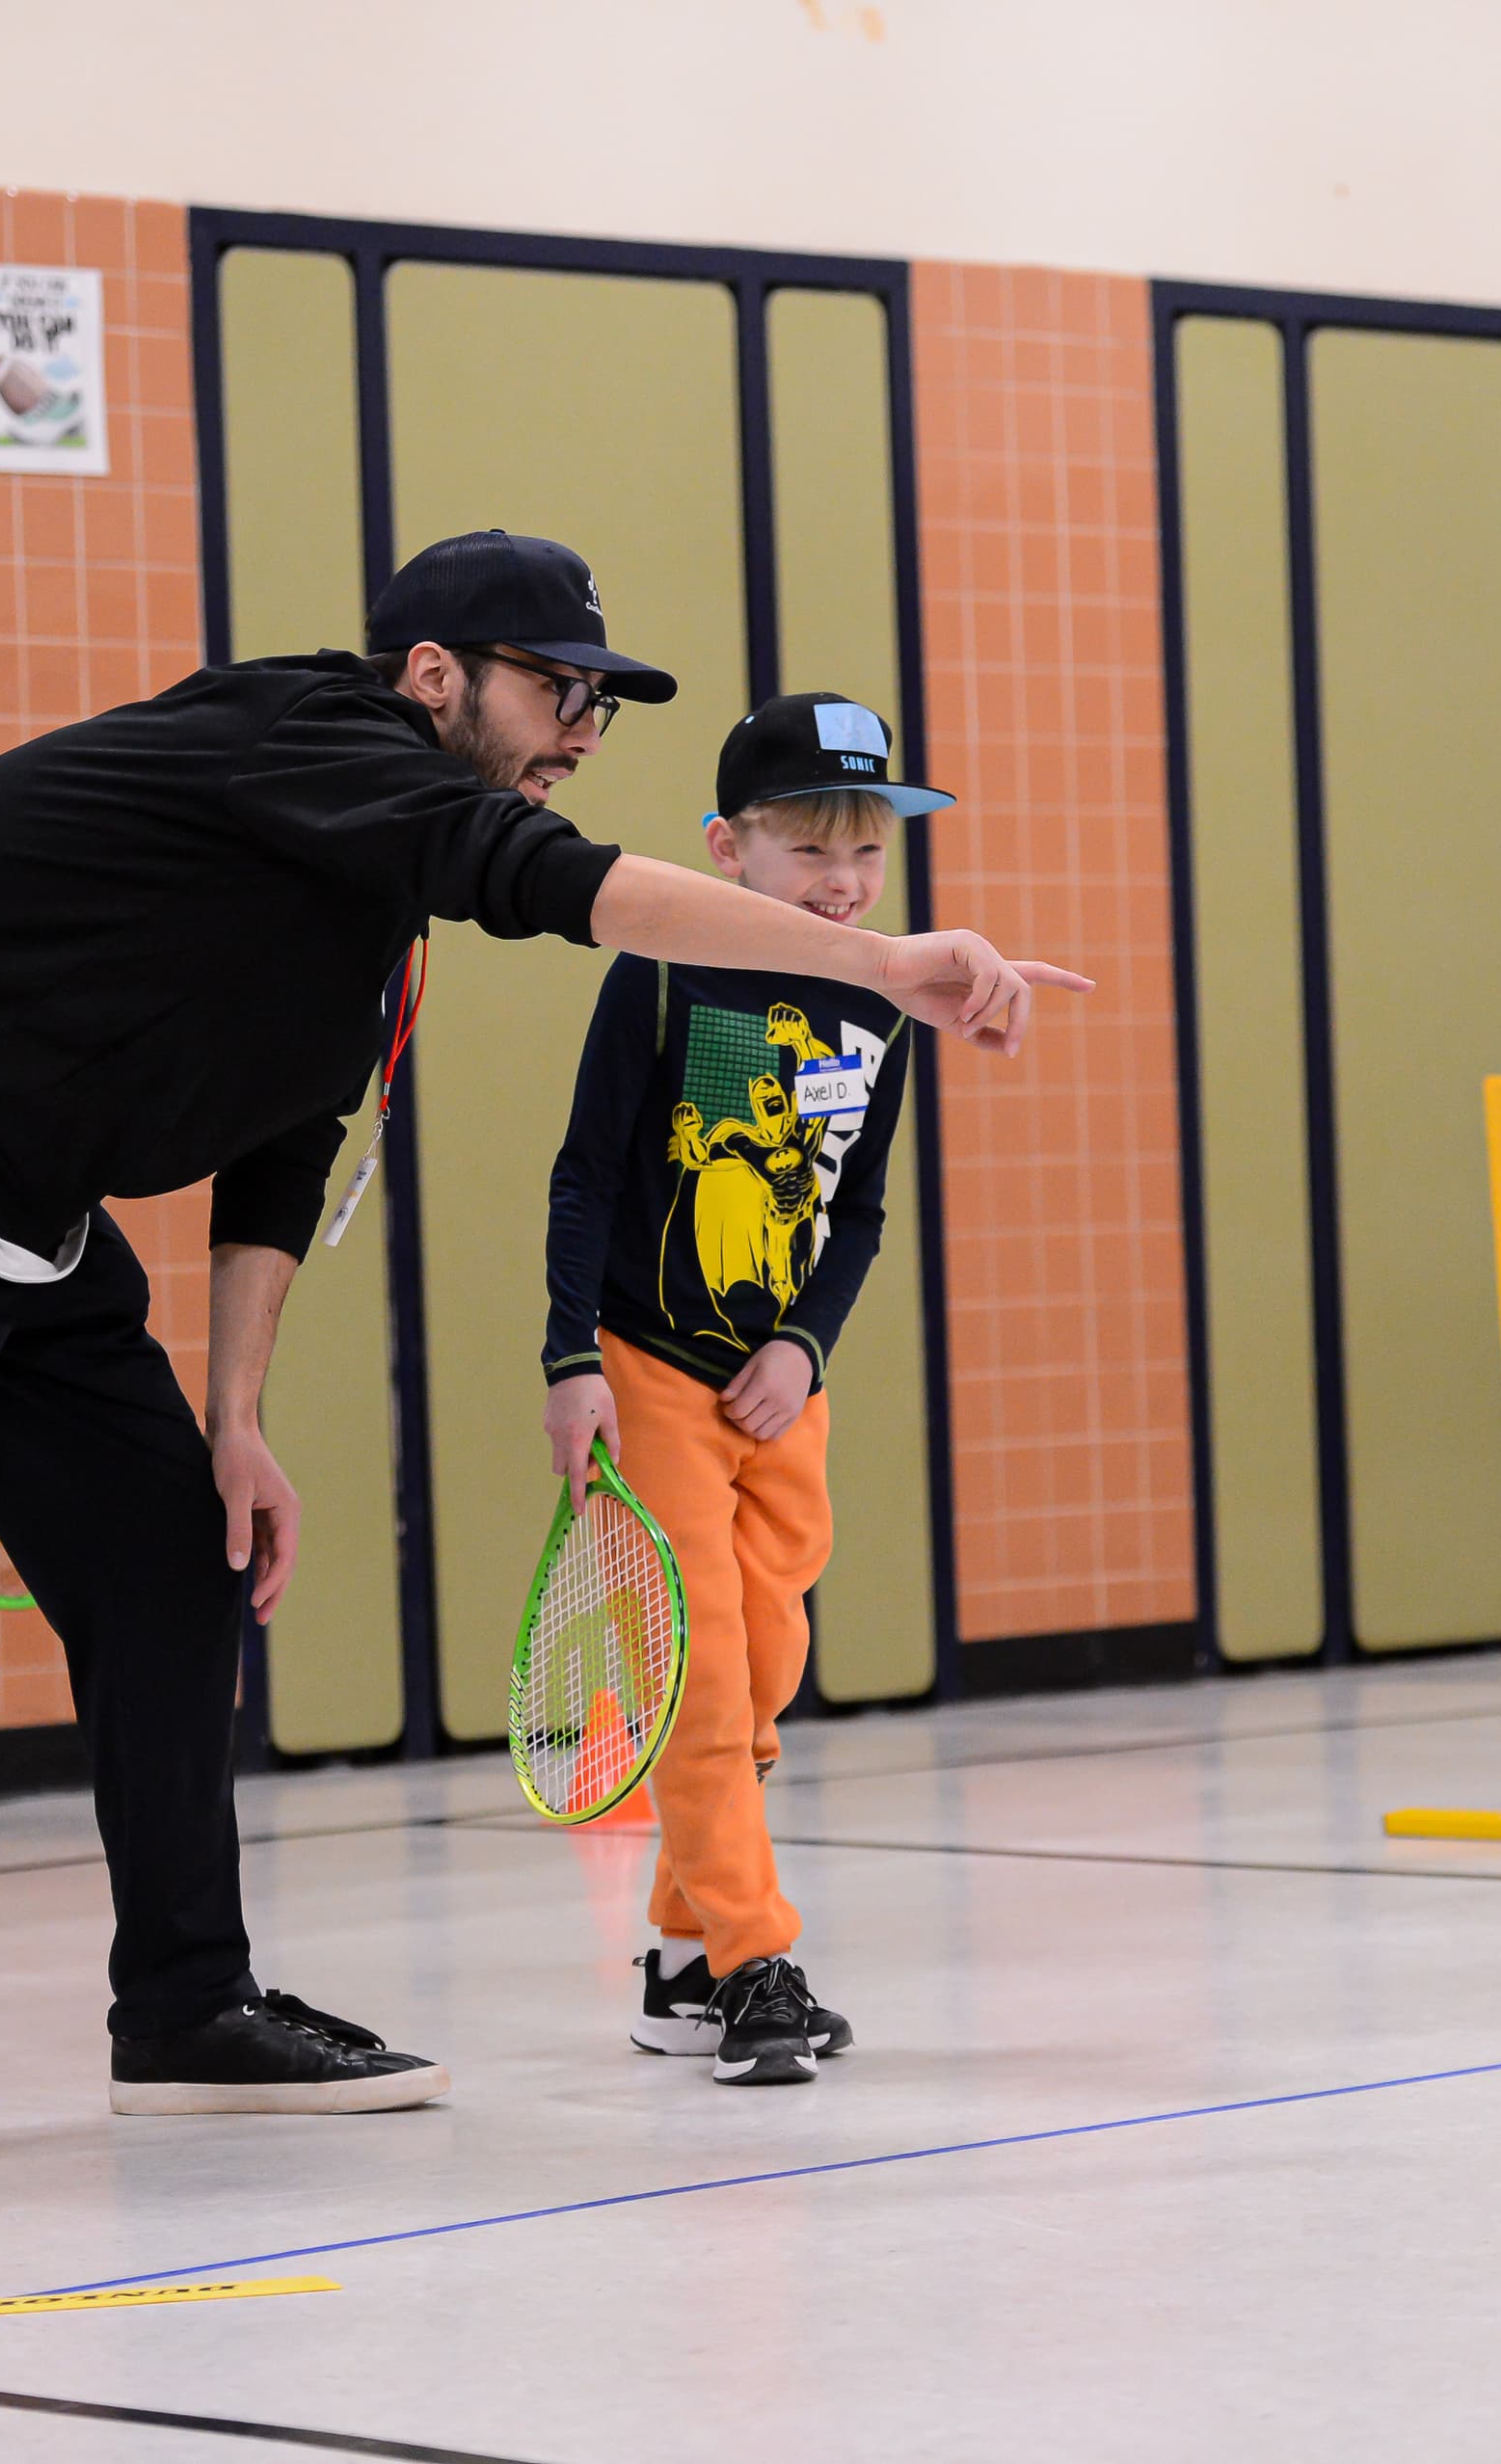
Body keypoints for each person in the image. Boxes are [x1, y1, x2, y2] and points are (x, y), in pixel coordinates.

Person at [0, 530, 1085, 2194]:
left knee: (167, 1563)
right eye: (556, 691)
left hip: (16, 1211)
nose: (578, 727)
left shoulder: (362, 904)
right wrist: (878, 964)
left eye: (600, 704)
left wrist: (235, 1417)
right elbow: (550, 880)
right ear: (435, 678)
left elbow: (281, 1146)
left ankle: (187, 2007)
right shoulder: (316, 742)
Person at [541, 691, 941, 2084]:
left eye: (867, 855)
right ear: (726, 850)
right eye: (809, 852)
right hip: (649, 1367)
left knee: (766, 1667)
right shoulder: (660, 975)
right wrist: (570, 1356)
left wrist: (805, 1347)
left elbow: (863, 1213)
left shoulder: (885, 1001)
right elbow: (589, 1175)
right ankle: (759, 1961)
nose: (844, 884)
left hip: (776, 1392)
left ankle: (677, 1958)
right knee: (703, 1676)